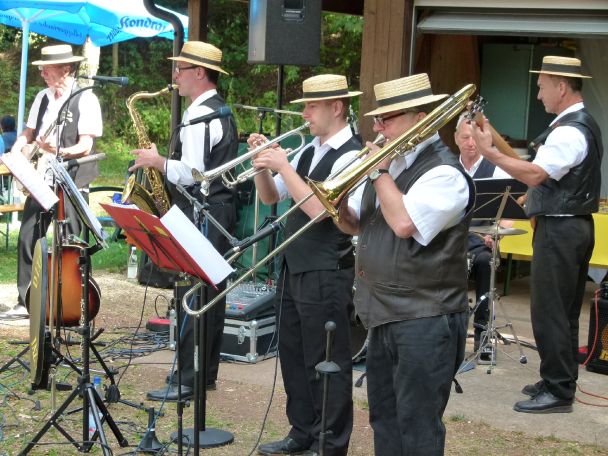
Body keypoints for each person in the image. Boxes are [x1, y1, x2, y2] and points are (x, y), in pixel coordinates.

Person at [335, 73, 475, 455]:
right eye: (377, 119)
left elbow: (403, 224)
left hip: (425, 318)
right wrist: (339, 209)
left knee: (418, 425)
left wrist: (378, 170)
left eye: (387, 119)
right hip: (383, 313)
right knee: (384, 417)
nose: (378, 128)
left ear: (421, 119)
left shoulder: (445, 173)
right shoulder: (392, 165)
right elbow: (362, 226)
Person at [472, 56, 603, 413]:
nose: (539, 94)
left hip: (561, 228)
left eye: (542, 86)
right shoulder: (575, 125)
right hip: (566, 225)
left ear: (561, 87)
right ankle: (557, 379)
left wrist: (489, 154)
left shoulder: (569, 131)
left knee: (550, 311)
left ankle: (559, 390)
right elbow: (547, 176)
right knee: (561, 310)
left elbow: (535, 174)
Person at [249, 74, 361, 456]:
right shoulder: (308, 150)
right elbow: (270, 198)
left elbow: (320, 212)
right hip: (294, 265)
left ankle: (330, 442)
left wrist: (284, 166)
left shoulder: (351, 154)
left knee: (326, 358)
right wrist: (261, 165)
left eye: (312, 106)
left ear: (337, 107)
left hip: (327, 268)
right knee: (294, 354)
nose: (305, 113)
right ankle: (302, 431)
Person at [130, 41, 238, 401]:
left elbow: (193, 173)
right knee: (210, 294)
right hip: (217, 210)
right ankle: (202, 374)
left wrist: (157, 162)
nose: (175, 75)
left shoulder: (200, 115)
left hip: (202, 211)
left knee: (192, 294)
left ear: (200, 73)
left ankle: (189, 379)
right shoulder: (219, 110)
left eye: (181, 69)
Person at [0, 44, 102, 320]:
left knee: (71, 243)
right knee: (28, 236)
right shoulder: (42, 97)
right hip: (42, 178)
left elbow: (85, 145)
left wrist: (57, 150)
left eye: (47, 68)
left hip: (72, 179)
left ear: (66, 69)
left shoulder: (86, 99)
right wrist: (17, 149)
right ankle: (26, 301)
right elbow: (29, 132)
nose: (42, 73)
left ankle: (71, 304)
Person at [454, 113, 511, 362]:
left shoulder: (496, 170)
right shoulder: (446, 168)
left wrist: (497, 234)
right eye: (465, 137)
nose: (471, 143)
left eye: (475, 138)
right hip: (451, 241)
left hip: (480, 242)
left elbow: (510, 210)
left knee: (485, 262)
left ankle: (483, 336)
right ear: (456, 139)